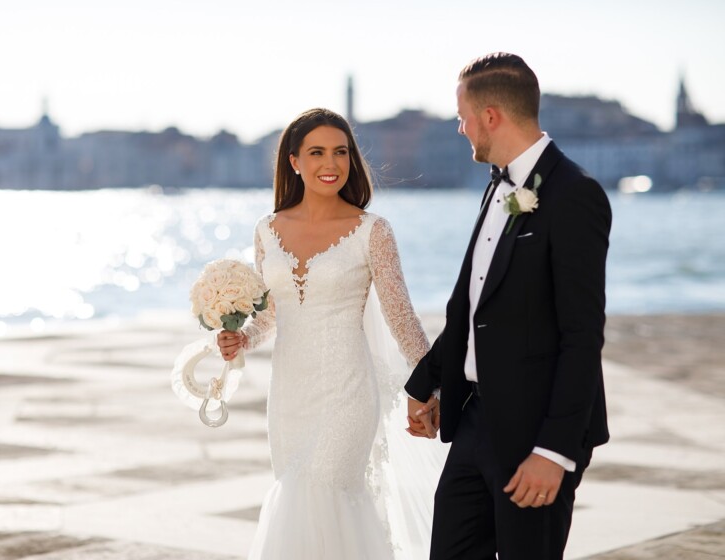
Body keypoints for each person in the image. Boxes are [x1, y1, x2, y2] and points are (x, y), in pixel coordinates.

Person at [405, 52, 612, 559]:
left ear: (490, 116)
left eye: (463, 116)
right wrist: (425, 383)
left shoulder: (574, 194)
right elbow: (472, 306)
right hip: (474, 420)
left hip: (535, 431)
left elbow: (582, 335)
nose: (460, 128)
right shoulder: (497, 187)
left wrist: (554, 451)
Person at [217, 107, 445, 559]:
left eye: (341, 152)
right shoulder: (267, 229)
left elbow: (402, 319)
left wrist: (431, 385)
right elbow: (270, 314)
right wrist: (241, 338)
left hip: (349, 393)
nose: (331, 163)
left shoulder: (373, 232)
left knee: (317, 493)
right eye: (317, 152)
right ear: (294, 161)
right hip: (288, 399)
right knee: (298, 498)